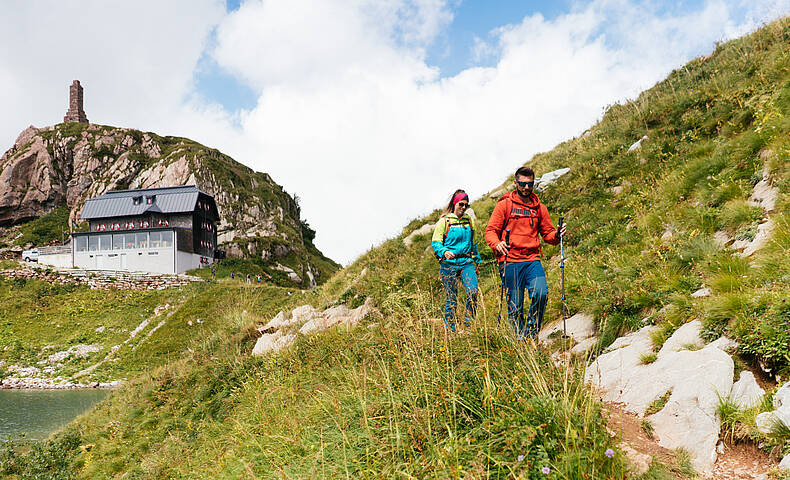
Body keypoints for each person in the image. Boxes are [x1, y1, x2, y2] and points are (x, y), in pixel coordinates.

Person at [485, 166, 567, 338]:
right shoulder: (504, 205)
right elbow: (490, 231)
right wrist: (497, 244)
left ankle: (530, 335)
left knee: (541, 293)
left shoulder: (539, 208)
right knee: (515, 306)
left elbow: (548, 235)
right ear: (515, 183)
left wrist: (557, 234)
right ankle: (519, 343)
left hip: (532, 260)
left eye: (530, 184)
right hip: (510, 261)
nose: (526, 188)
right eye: (522, 184)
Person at [432, 189, 482, 332]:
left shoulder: (469, 221)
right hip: (449, 265)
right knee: (452, 299)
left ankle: (468, 326)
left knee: (473, 293)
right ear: (455, 203)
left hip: (467, 263)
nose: (464, 207)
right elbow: (436, 242)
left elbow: (474, 243)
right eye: (461, 204)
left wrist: (477, 261)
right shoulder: (444, 221)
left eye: (466, 204)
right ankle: (451, 330)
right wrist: (444, 252)